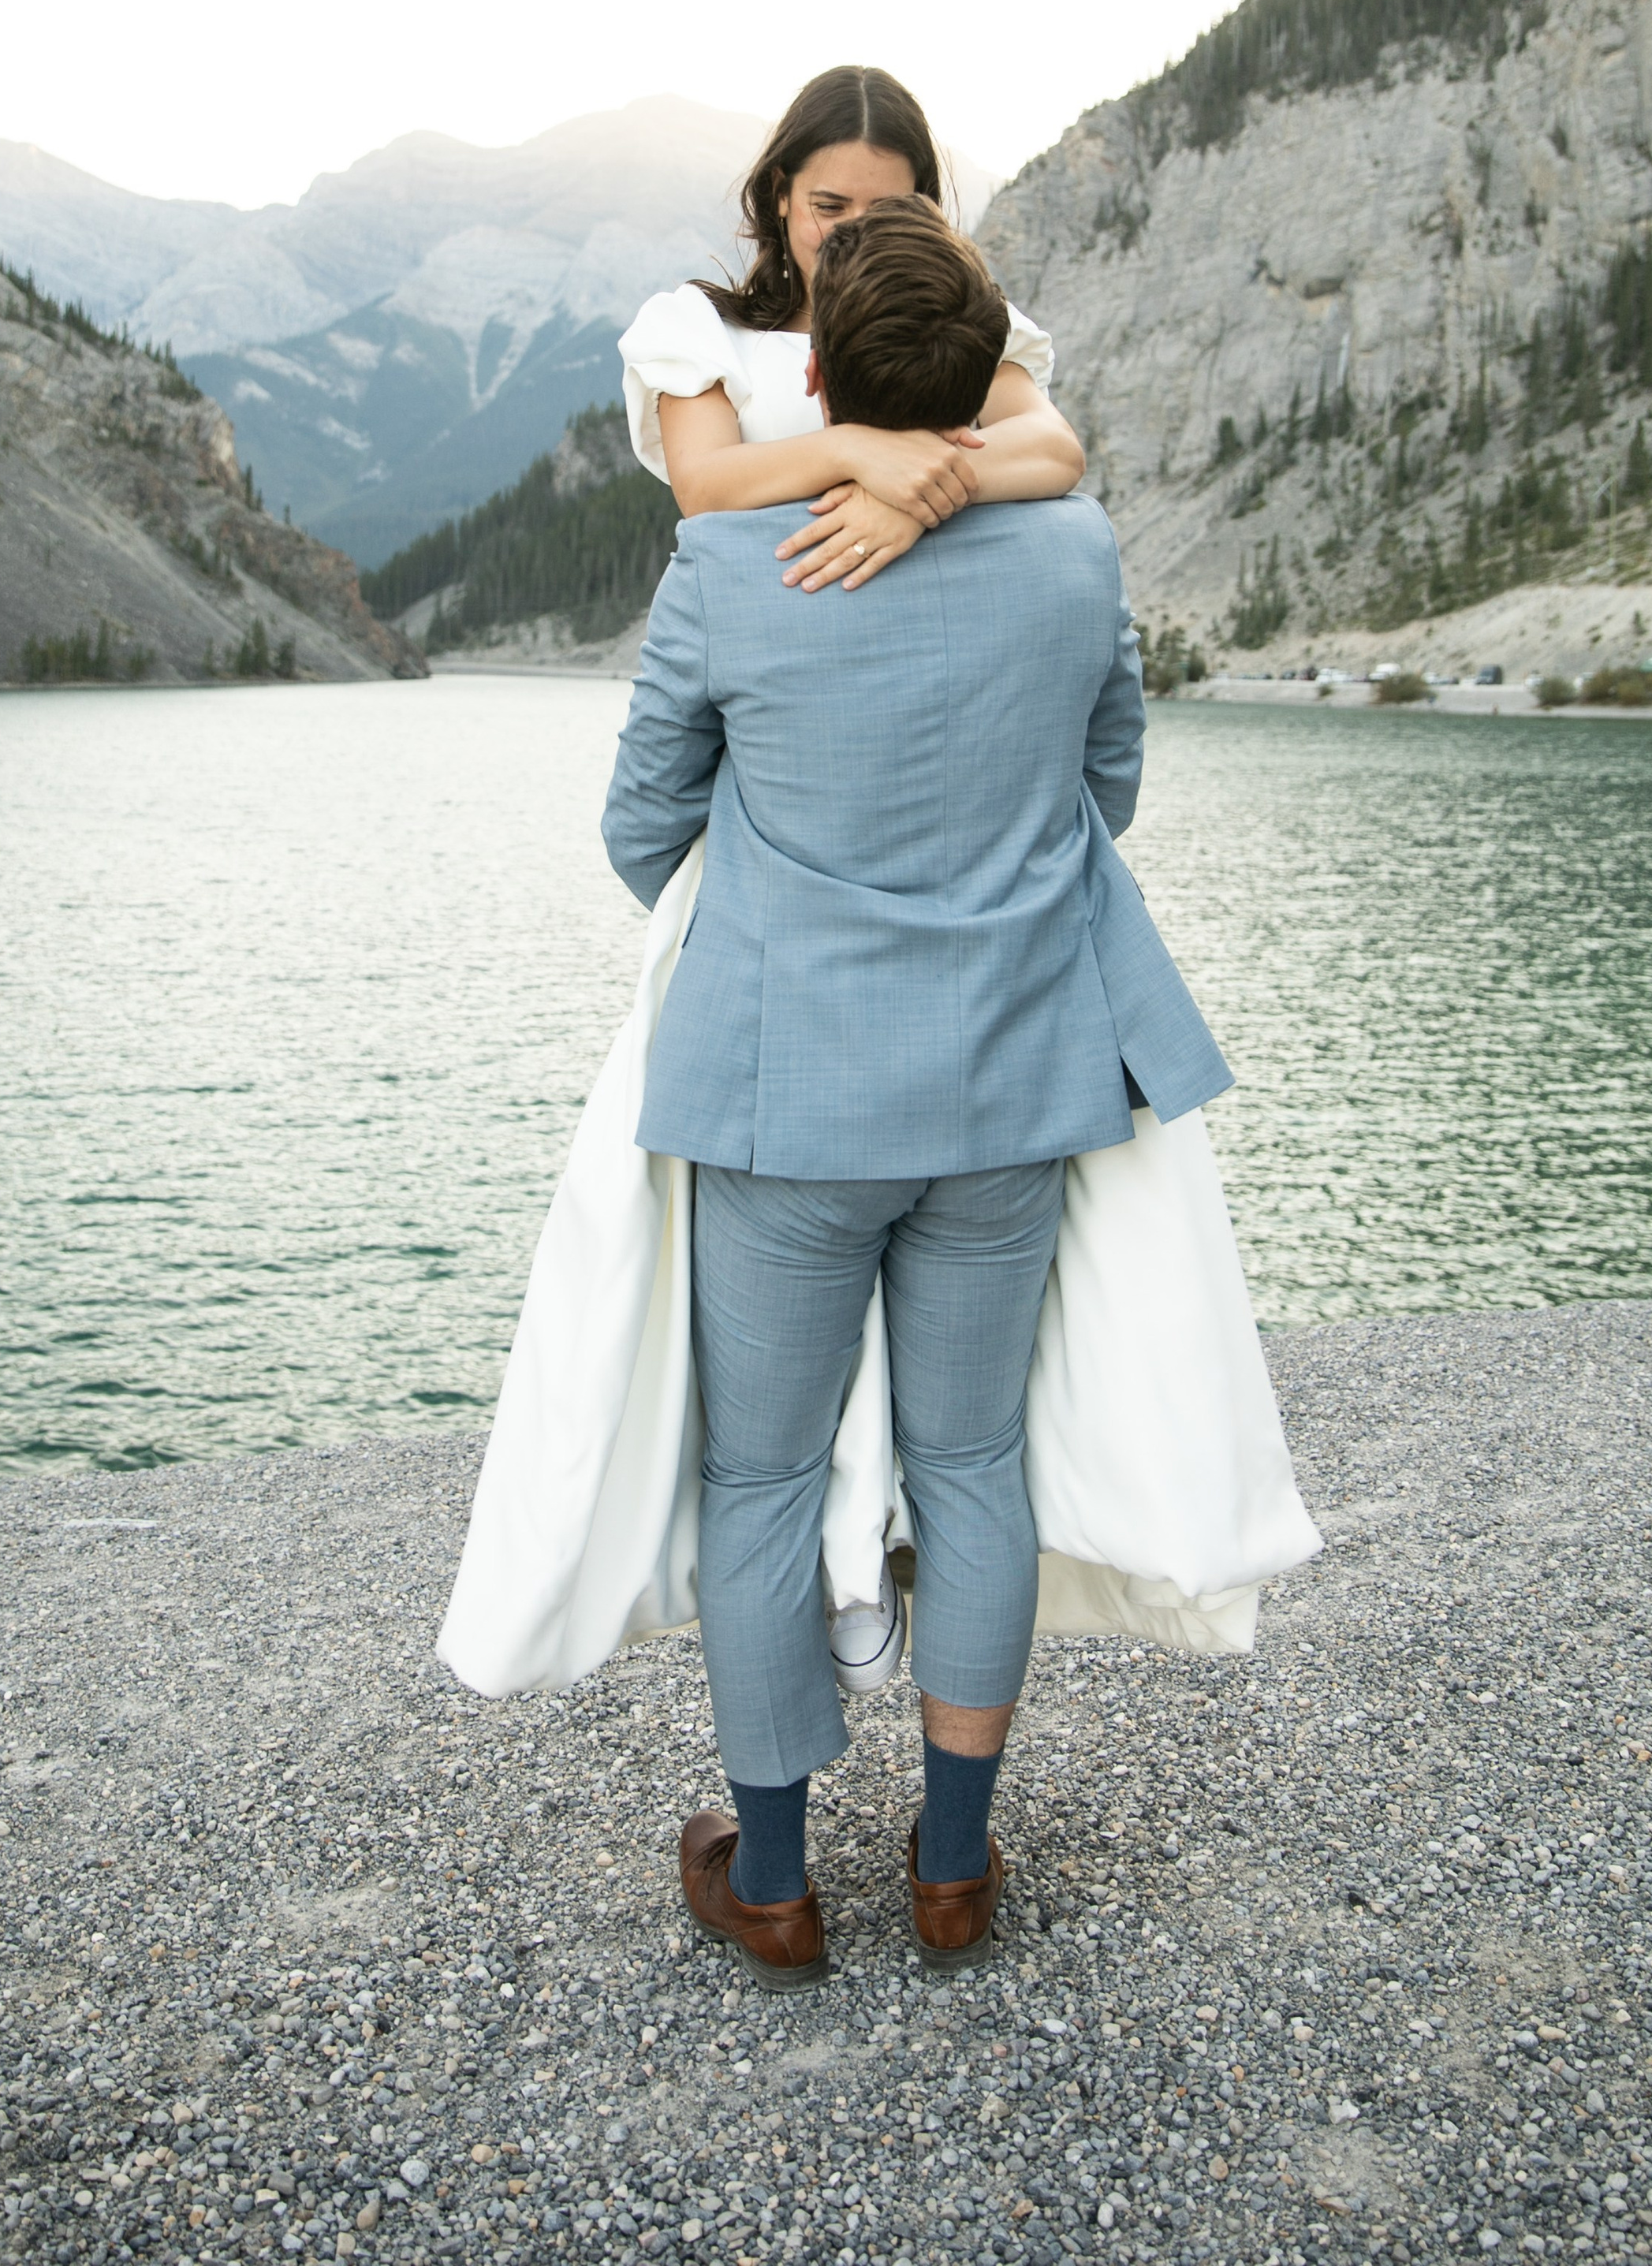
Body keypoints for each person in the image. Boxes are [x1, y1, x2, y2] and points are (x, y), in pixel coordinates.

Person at [599, 199, 1233, 1988]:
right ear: (982, 371)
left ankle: (779, 1877)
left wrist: (785, 890)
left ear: (815, 371)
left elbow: (639, 823)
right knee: (968, 1460)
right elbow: (1105, 786)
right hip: (1009, 1084)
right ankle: (951, 1866)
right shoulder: (1074, 548)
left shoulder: (728, 562)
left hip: (786, 1094)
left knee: (762, 1474)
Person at [618, 62, 1085, 600]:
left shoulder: (956, 317)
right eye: (830, 206)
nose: (855, 233)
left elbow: (1054, 448)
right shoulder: (704, 331)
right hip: (773, 632)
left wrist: (904, 497)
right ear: (781, 193)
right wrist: (856, 453)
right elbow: (704, 483)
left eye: (886, 209)